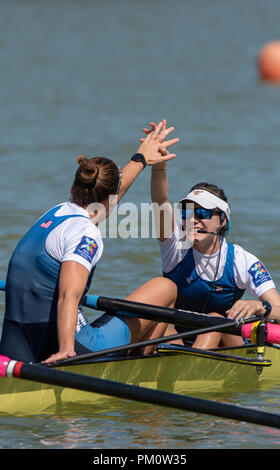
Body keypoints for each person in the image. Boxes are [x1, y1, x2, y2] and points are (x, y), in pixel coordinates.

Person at [0, 120, 179, 364]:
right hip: (69, 344)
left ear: (73, 188)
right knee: (166, 287)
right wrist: (65, 349)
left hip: (15, 339)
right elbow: (68, 295)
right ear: (110, 201)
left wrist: (140, 159)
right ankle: (140, 362)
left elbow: (110, 192)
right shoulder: (85, 233)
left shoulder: (55, 213)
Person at [143, 121, 280, 349]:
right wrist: (159, 167)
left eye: (203, 213)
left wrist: (259, 307)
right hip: (176, 339)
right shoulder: (175, 246)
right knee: (158, 319)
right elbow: (160, 203)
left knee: (216, 320)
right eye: (187, 211)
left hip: (225, 344)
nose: (194, 219)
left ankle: (188, 372)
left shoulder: (243, 261)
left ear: (222, 221)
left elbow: (278, 308)